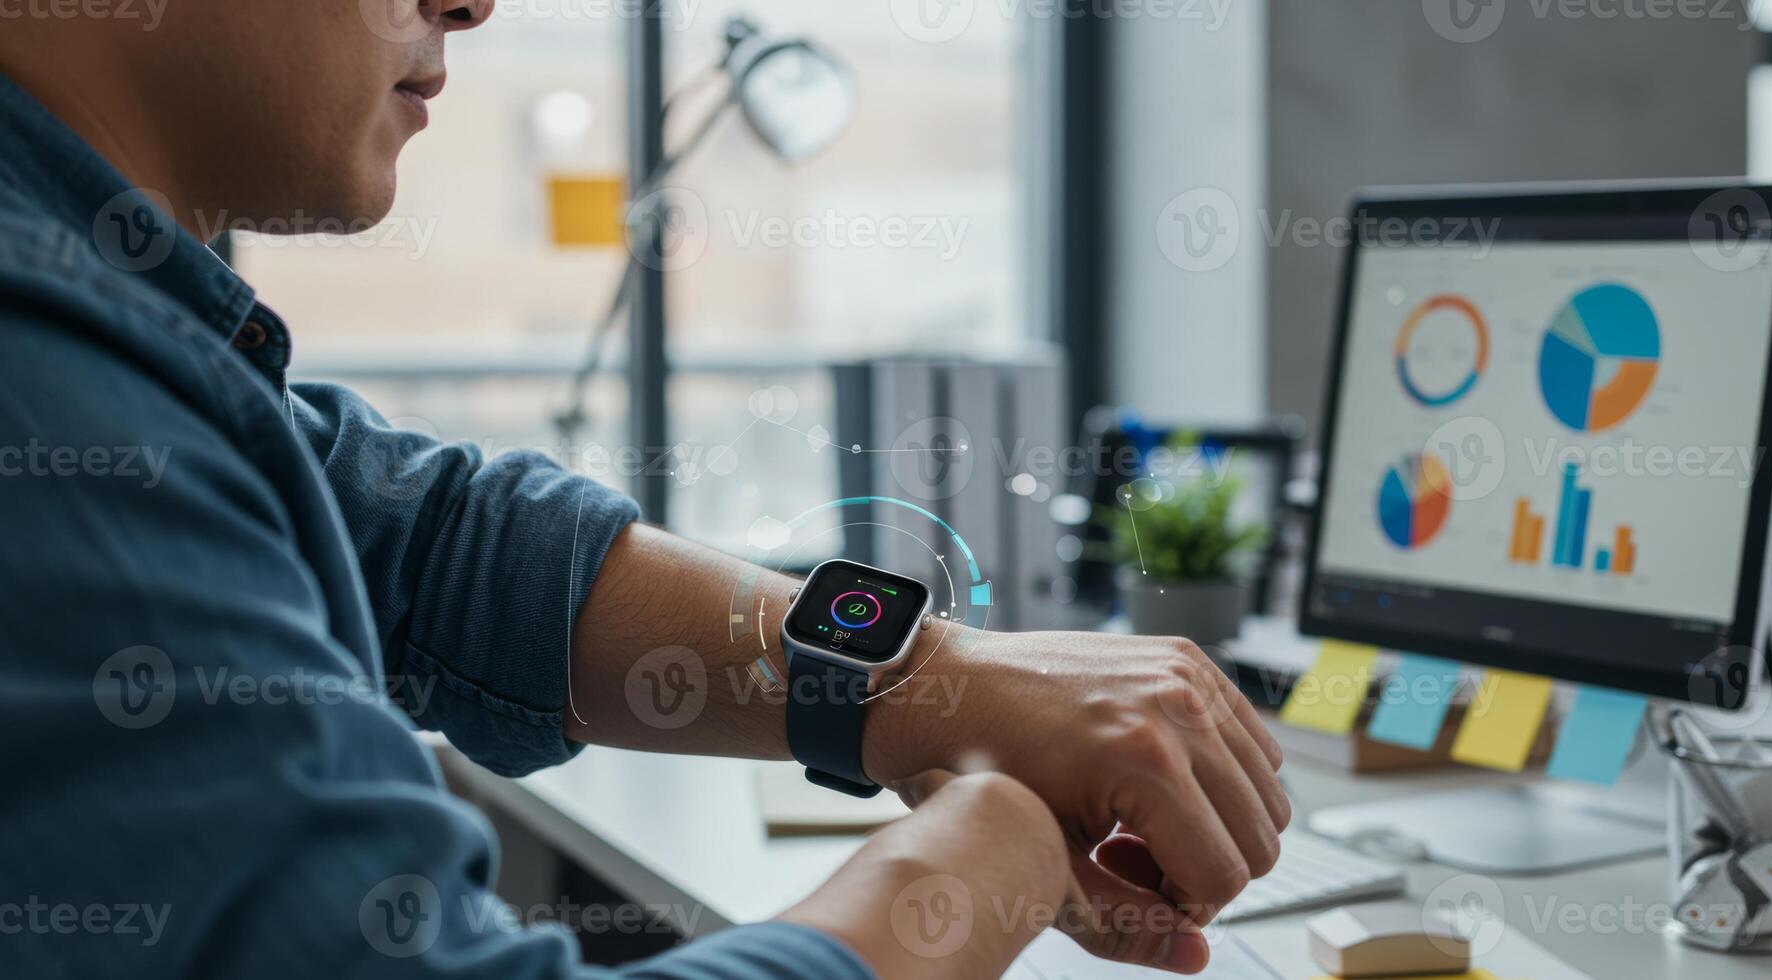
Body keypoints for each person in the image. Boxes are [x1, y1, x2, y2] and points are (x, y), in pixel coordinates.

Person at [0, 3, 1289, 977]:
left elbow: (432, 549)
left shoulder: (110, 327)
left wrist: (930, 679)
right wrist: (987, 844)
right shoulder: (44, 379)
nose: (471, 3)